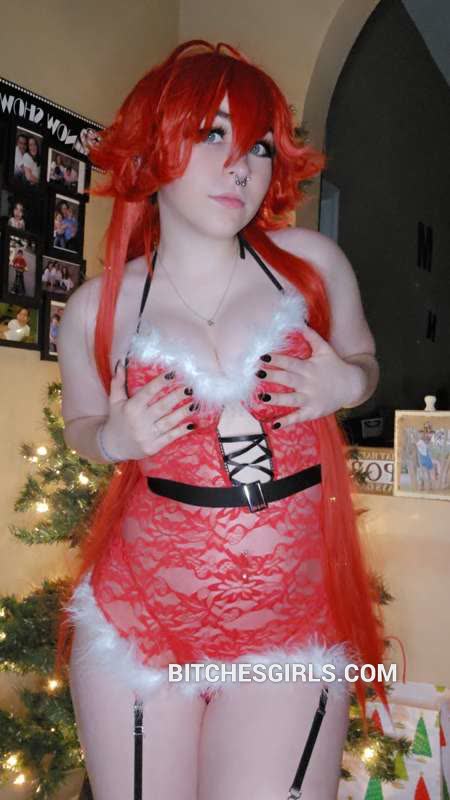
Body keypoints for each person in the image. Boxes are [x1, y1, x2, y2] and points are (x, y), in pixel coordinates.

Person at [56, 40, 390, 800]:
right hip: (139, 625)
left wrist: (347, 381)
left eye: (259, 147)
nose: (240, 166)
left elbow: (365, 363)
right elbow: (82, 426)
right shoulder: (97, 308)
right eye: (212, 134)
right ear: (154, 146)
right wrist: (112, 438)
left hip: (290, 631)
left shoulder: (311, 265)